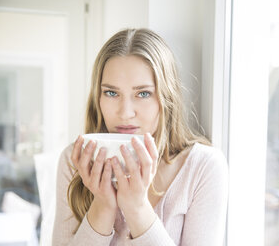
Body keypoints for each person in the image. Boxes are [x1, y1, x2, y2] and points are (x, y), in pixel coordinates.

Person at [52, 28, 228, 246]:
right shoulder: (74, 160)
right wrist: (103, 206)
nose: (125, 112)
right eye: (111, 93)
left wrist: (137, 209)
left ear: (166, 98)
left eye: (143, 93)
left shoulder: (203, 167)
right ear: (98, 98)